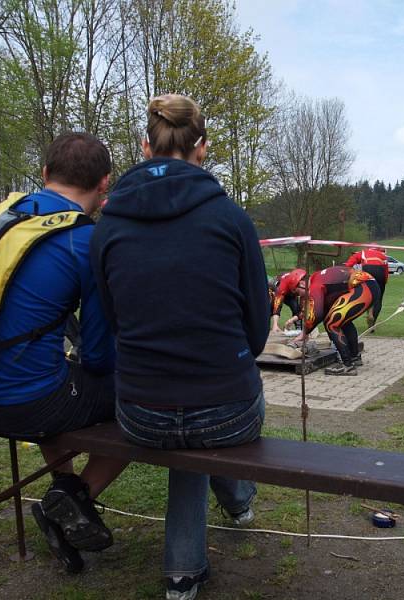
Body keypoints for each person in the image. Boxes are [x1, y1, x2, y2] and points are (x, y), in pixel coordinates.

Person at [91, 94, 270, 600]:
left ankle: (186, 572)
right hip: (225, 410)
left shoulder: (108, 225)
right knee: (205, 425)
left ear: (145, 147)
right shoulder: (232, 219)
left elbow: (109, 318)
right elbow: (256, 332)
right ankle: (219, 525)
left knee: (189, 426)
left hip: (141, 410)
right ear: (203, 149)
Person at [0, 133, 128, 574]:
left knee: (54, 382)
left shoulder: (3, 218)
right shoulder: (86, 241)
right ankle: (69, 503)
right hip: (27, 405)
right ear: (105, 184)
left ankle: (67, 503)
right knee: (148, 403)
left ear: (45, 175)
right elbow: (101, 353)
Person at [289, 265, 379, 376]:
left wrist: (304, 333)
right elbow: (318, 310)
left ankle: (347, 365)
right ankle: (354, 357)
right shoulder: (317, 278)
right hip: (368, 284)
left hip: (363, 286)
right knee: (342, 322)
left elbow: (317, 313)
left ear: (302, 284)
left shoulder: (314, 285)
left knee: (331, 324)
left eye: (297, 293)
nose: (299, 296)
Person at [344, 244, 388, 326]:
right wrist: (384, 282)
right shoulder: (382, 255)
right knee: (378, 298)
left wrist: (350, 273)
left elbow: (349, 264)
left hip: (368, 270)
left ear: (367, 248)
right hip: (380, 272)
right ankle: (372, 323)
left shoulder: (363, 253)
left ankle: (367, 313)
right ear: (378, 249)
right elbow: (386, 270)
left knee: (368, 295)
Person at [269, 268, 306, 332]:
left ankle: (299, 329)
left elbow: (304, 310)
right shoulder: (282, 287)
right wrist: (275, 325)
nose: (300, 295)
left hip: (290, 290)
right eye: (299, 293)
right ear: (294, 288)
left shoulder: (305, 282)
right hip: (276, 287)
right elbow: (277, 306)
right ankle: (268, 326)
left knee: (296, 308)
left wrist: (292, 320)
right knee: (271, 306)